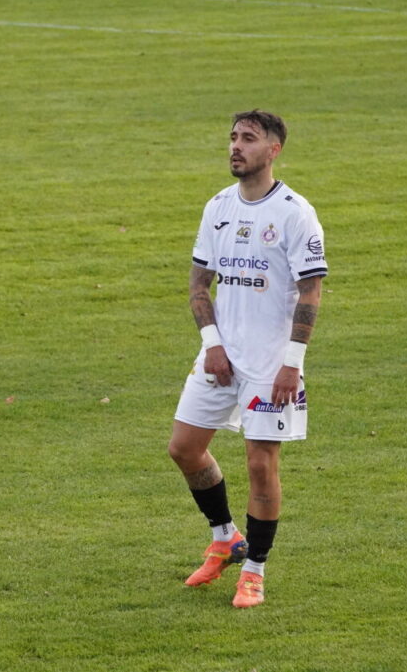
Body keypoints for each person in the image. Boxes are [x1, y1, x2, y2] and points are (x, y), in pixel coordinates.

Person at [168, 110, 328, 608]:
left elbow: (311, 292)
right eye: (233, 138)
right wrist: (212, 344)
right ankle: (225, 536)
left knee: (261, 465)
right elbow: (199, 285)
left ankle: (255, 569)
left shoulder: (295, 213)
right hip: (221, 354)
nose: (236, 146)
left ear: (274, 149)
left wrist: (292, 363)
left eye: (249, 139)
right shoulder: (217, 206)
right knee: (184, 449)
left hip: (270, 363)